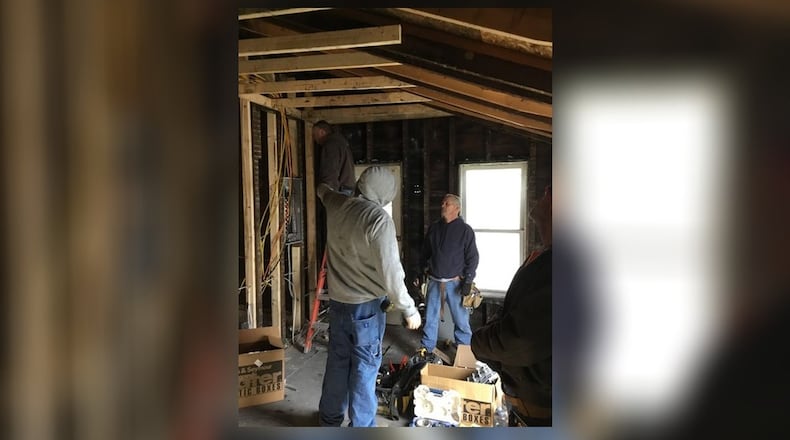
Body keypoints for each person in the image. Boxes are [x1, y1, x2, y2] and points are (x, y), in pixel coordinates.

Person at [317, 166, 422, 427]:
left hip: (338, 305)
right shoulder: (378, 220)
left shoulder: (337, 204)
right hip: (366, 310)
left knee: (338, 365)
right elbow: (392, 273)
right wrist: (409, 309)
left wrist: (327, 183)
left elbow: (323, 191)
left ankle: (329, 421)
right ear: (384, 194)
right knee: (364, 370)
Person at [471, 184, 553, 426]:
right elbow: (515, 315)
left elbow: (520, 341)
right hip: (531, 396)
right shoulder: (545, 258)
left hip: (543, 404)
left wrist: (477, 342)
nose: (541, 196)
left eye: (547, 191)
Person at [415, 194, 479, 355]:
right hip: (434, 281)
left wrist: (468, 281)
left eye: (447, 203)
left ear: (456, 208)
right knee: (430, 319)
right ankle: (426, 350)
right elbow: (425, 252)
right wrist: (420, 271)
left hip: (455, 283)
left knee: (461, 321)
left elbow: (473, 257)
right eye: (442, 202)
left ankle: (464, 351)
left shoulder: (465, 230)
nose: (442, 205)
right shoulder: (435, 228)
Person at [313, 120, 355, 195]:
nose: (315, 139)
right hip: (347, 189)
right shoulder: (341, 142)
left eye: (314, 134)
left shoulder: (330, 145)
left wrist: (328, 193)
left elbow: (330, 171)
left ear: (322, 132)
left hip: (340, 191)